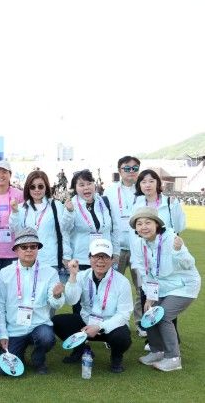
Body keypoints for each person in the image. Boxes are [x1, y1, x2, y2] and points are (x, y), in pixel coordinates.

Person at [130, 207, 201, 372]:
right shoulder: (140, 244)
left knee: (163, 316)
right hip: (161, 287)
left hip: (184, 286)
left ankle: (173, 358)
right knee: (149, 314)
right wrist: (150, 296)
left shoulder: (171, 238)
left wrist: (178, 251)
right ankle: (157, 351)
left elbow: (189, 264)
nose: (143, 227)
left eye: (148, 222)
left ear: (156, 224)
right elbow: (145, 273)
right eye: (139, 224)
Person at [54, 239, 133, 373]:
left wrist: (100, 326)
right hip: (86, 324)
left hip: (110, 326)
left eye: (105, 256)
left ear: (112, 260)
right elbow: (72, 300)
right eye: (96, 256)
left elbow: (124, 314)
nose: (100, 261)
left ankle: (116, 357)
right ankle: (80, 349)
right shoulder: (81, 276)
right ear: (89, 258)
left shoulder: (122, 282)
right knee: (57, 322)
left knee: (122, 336)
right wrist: (72, 275)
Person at [0, 228, 66, 375]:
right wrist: (2, 334)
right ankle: (19, 353)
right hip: (14, 329)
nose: (29, 250)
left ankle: (38, 358)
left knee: (46, 337)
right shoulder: (5, 273)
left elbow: (56, 304)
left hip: (39, 326)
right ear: (16, 250)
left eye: (33, 246)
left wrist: (57, 296)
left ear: (37, 249)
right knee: (3, 370)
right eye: (24, 247)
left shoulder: (50, 272)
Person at [103, 156, 144, 334]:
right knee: (112, 287)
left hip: (139, 247)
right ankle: (112, 324)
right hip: (116, 248)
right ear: (120, 170)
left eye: (135, 168)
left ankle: (142, 323)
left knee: (142, 287)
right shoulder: (110, 191)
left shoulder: (143, 190)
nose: (131, 171)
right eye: (127, 168)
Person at [10, 170, 70, 281]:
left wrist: (66, 256)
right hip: (28, 261)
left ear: (46, 187)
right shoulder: (21, 208)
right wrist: (14, 213)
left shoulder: (56, 206)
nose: (36, 190)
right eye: (32, 187)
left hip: (51, 261)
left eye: (40, 186)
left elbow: (64, 233)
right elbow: (16, 231)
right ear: (28, 188)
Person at [62, 169, 119, 277]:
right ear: (75, 188)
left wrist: (115, 252)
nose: (86, 187)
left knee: (105, 287)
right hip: (82, 260)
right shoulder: (71, 205)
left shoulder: (104, 202)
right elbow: (65, 231)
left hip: (104, 257)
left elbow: (114, 229)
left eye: (89, 183)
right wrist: (67, 256)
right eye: (81, 185)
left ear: (94, 185)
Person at [133, 169, 186, 234]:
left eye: (151, 181)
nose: (148, 185)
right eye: (144, 182)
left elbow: (179, 228)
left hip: (166, 240)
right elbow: (134, 230)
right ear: (139, 185)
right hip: (144, 240)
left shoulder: (171, 202)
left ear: (157, 183)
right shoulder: (137, 205)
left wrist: (174, 207)